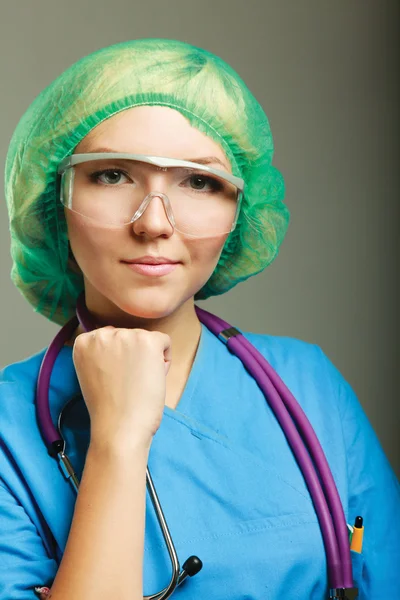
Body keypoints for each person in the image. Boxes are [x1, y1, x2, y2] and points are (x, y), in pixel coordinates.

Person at [0, 38, 399, 600]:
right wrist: (116, 441)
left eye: (200, 181)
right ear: (51, 201)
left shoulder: (310, 386)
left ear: (242, 210)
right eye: (112, 175)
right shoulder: (8, 431)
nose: (155, 223)